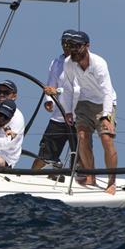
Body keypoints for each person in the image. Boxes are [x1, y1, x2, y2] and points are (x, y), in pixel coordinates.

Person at [60, 30, 119, 195]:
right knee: (82, 137)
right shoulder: (68, 63)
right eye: (70, 46)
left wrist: (107, 116)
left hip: (104, 104)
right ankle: (90, 175)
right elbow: (68, 88)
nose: (74, 50)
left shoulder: (99, 63)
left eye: (77, 46)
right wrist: (68, 111)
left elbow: (107, 91)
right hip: (84, 103)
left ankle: (111, 181)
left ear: (87, 46)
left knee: (106, 139)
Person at [32, 33, 77, 172]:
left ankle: (80, 182)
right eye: (63, 42)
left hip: (79, 117)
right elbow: (50, 85)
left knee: (80, 157)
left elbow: (77, 88)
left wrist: (56, 91)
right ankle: (31, 179)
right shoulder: (56, 62)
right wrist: (49, 101)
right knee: (44, 155)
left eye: (69, 43)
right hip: (59, 116)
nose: (65, 46)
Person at [0, 80, 26, 167]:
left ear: (14, 96)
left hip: (4, 158)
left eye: (6, 92)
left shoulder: (18, 117)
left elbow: (8, 142)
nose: (1, 95)